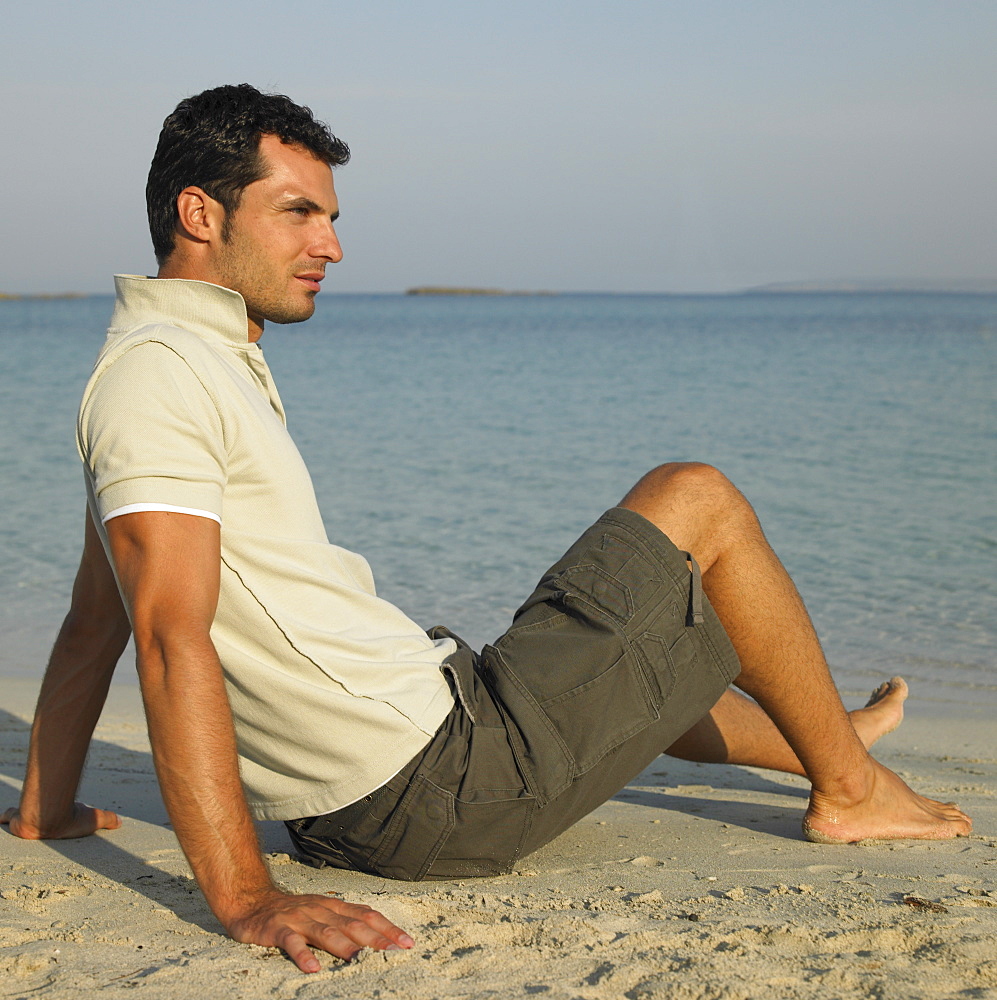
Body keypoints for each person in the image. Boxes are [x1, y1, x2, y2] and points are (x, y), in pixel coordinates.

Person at [2, 84, 971, 975]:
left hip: (408, 753)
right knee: (699, 499)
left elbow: (100, 612)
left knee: (627, 662)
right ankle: (849, 788)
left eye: (333, 218)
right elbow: (169, 637)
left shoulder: (181, 355)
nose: (331, 246)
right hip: (436, 781)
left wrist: (45, 808)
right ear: (200, 214)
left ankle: (829, 736)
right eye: (298, 212)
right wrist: (249, 899)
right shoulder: (160, 377)